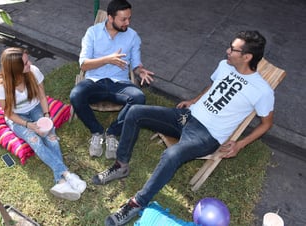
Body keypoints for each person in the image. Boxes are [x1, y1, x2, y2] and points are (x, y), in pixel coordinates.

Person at [92, 31, 275, 226]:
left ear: (247, 57)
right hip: (186, 116)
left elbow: (267, 123)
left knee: (172, 155)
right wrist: (193, 101)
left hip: (206, 135)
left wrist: (240, 144)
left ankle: (137, 203)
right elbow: (212, 86)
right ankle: (121, 166)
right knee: (135, 112)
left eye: (233, 49)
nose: (227, 51)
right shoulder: (224, 65)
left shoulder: (262, 91)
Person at [0, 47, 86, 201]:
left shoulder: (33, 72)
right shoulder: (1, 87)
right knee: (35, 140)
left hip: (36, 108)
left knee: (51, 137)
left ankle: (60, 181)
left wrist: (47, 116)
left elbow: (43, 97)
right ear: (15, 69)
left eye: (27, 59)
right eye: (25, 63)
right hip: (17, 117)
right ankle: (67, 174)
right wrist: (29, 125)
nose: (29, 63)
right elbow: (9, 113)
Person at [69, 0, 154, 160]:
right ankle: (97, 131)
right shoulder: (92, 33)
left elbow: (136, 64)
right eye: (123, 19)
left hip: (119, 84)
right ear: (110, 18)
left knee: (139, 98)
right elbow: (84, 65)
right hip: (94, 82)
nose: (127, 23)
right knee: (76, 95)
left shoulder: (133, 36)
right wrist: (108, 59)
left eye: (129, 18)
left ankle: (112, 133)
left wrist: (140, 71)